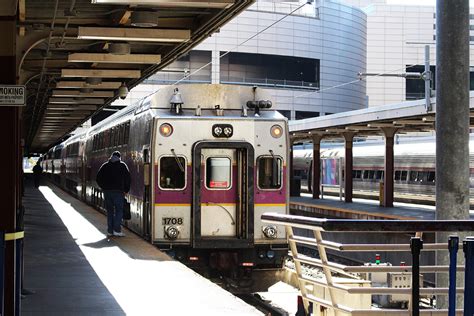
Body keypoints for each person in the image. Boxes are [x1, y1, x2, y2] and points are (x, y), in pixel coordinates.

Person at [96, 151, 131, 237]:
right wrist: (126, 190)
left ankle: (110, 230)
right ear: (119, 158)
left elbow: (98, 178)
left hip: (107, 192)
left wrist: (103, 187)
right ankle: (117, 230)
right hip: (118, 192)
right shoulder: (123, 166)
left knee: (110, 211)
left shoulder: (105, 166)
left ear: (111, 157)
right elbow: (128, 179)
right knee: (119, 211)